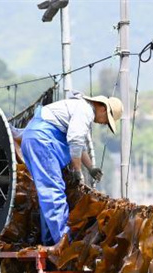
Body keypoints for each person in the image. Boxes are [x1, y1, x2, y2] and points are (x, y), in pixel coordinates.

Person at [19, 92, 123, 245]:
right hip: (43, 141)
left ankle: (50, 242)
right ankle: (63, 241)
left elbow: (78, 145)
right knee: (54, 191)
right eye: (106, 120)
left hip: (35, 139)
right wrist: (77, 171)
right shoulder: (85, 111)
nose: (102, 123)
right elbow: (75, 141)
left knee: (47, 194)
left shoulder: (80, 108)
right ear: (102, 108)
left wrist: (90, 168)